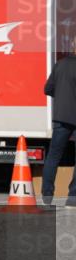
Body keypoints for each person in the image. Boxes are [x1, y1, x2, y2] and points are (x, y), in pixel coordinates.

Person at [43, 41, 76, 206]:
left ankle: (47, 195)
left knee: (53, 156)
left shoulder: (60, 65)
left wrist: (64, 96)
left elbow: (47, 89)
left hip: (61, 117)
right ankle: (73, 197)